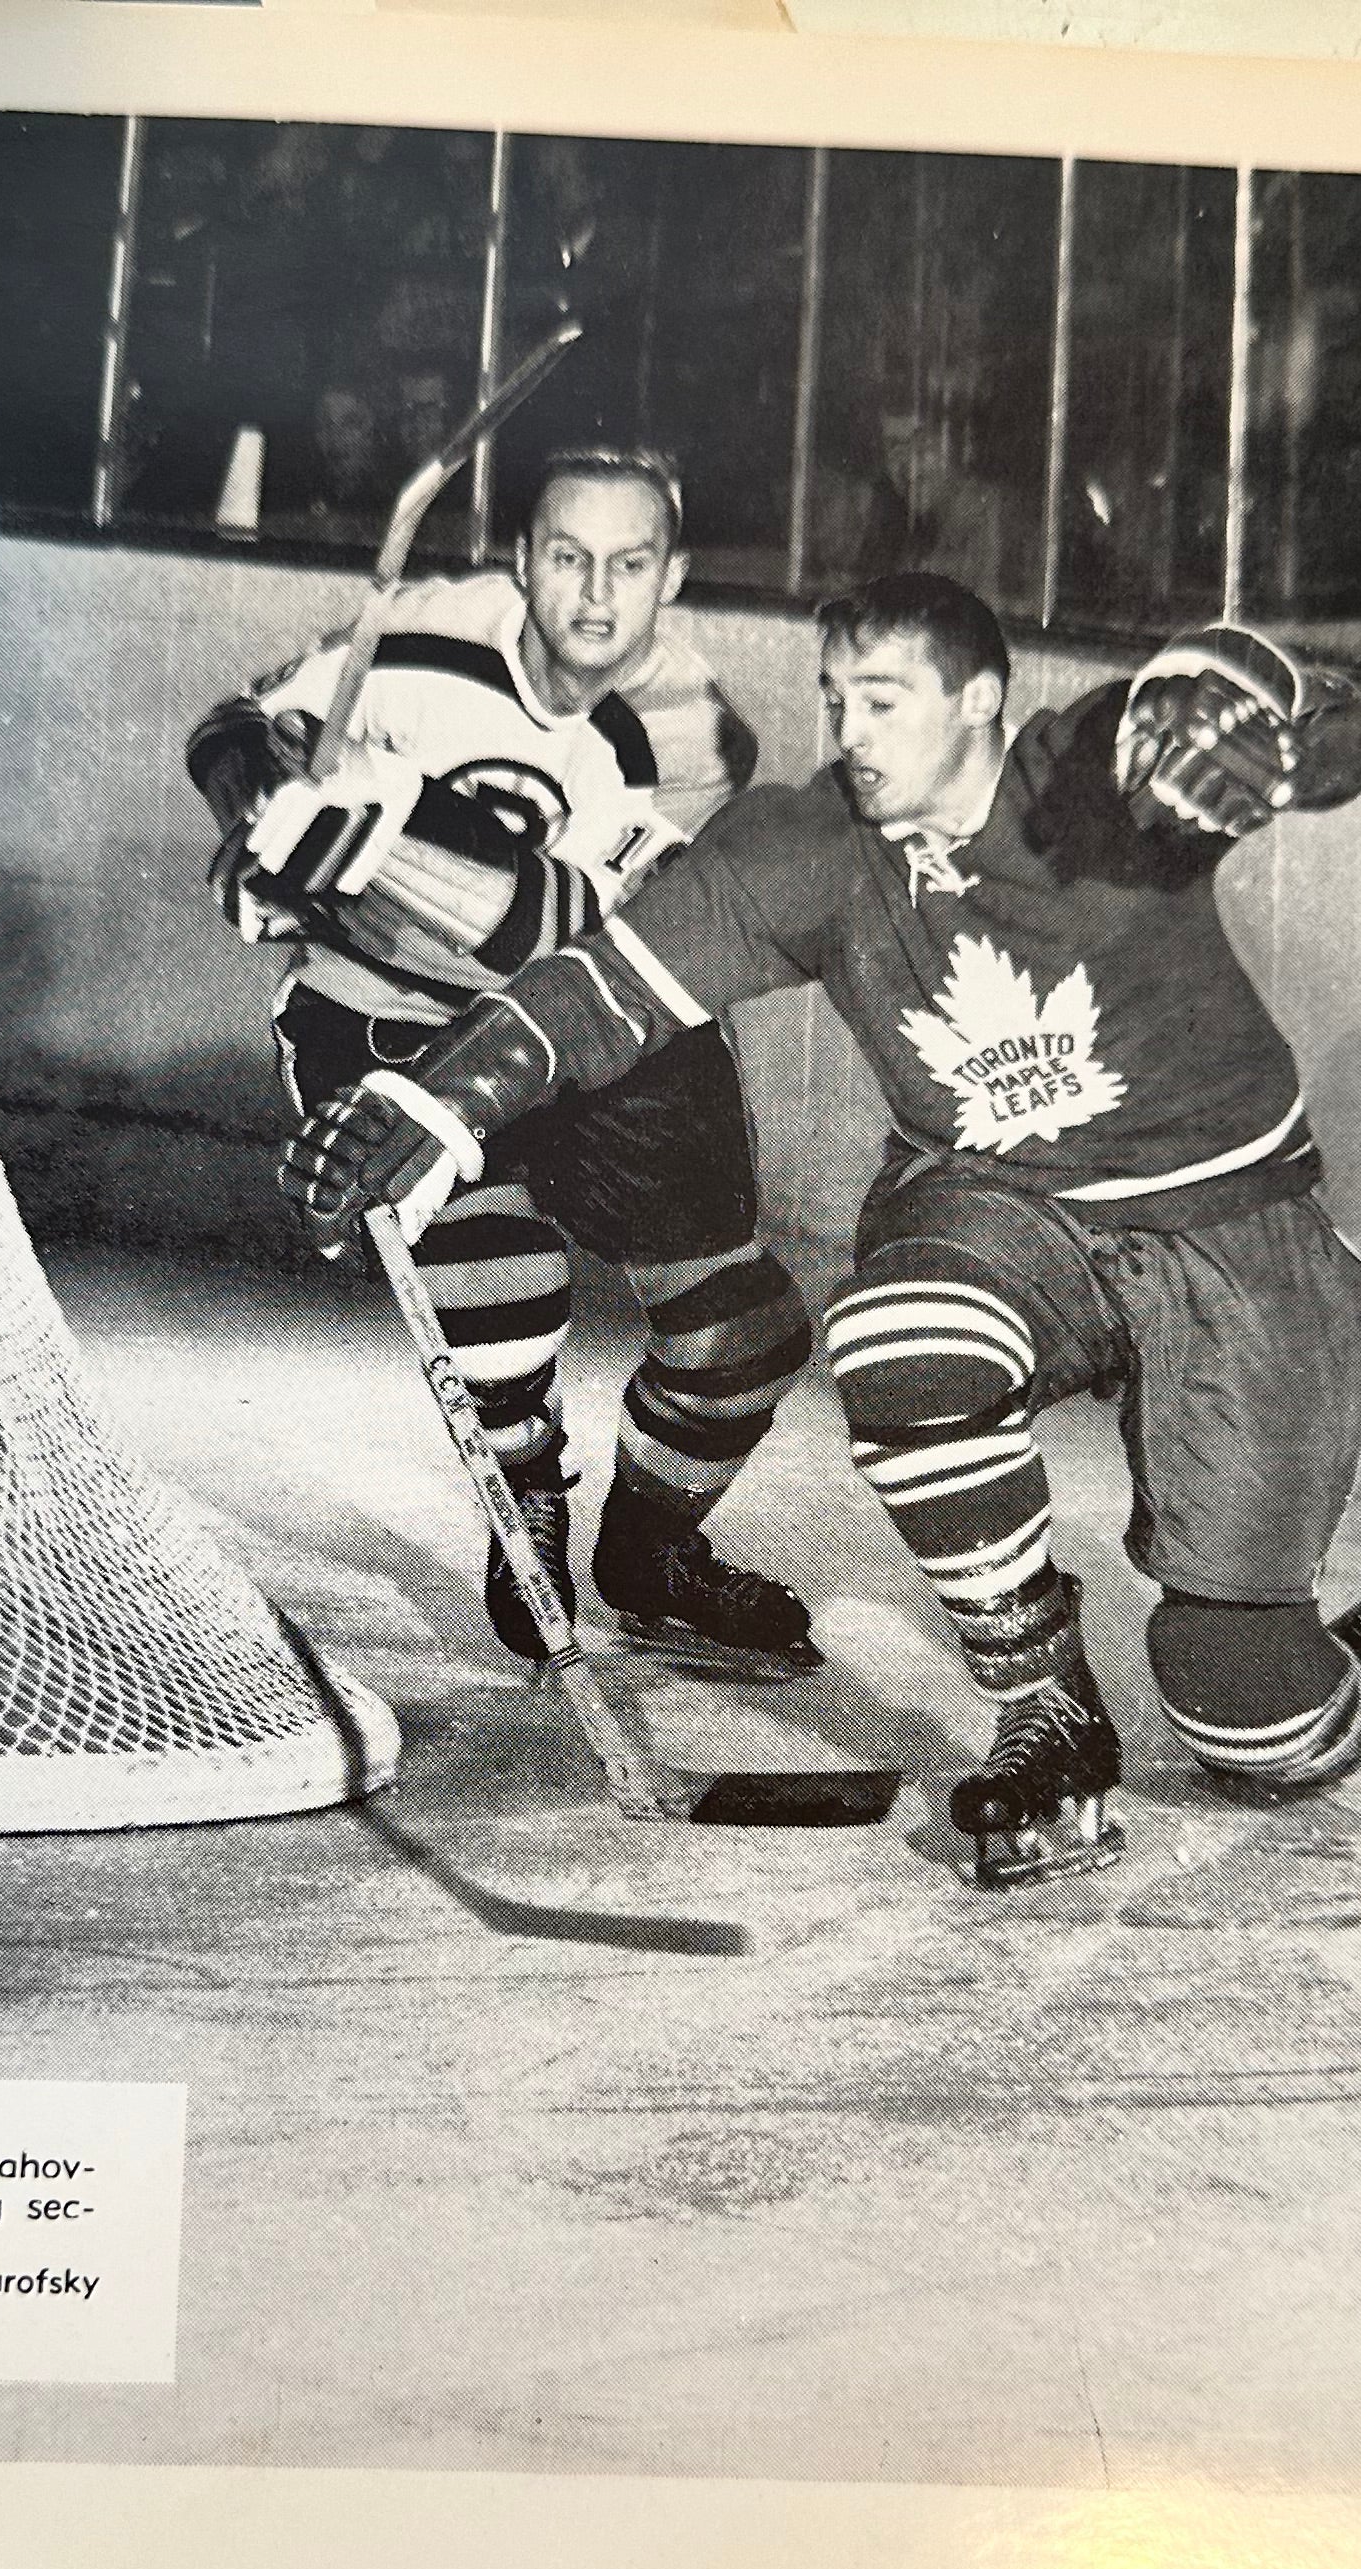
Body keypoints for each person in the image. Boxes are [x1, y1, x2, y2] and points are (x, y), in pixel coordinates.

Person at [283, 573, 1361, 1887]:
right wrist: (439, 1094)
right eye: (833, 700)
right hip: (1002, 1211)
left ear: (981, 701)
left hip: (1232, 1226)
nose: (849, 731)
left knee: (1246, 1715)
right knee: (899, 1335)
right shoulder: (809, 845)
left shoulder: (1094, 776)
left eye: (883, 701)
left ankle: (1341, 1661)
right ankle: (1044, 1708)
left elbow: (1287, 721)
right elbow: (600, 989)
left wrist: (1261, 713)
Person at [189, 445, 821, 1680]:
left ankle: (650, 1555)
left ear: (672, 578)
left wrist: (363, 848)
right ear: (522, 562)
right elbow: (231, 728)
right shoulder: (423, 634)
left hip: (586, 1024)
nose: (595, 594)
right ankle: (525, 1482)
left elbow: (560, 937)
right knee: (502, 1298)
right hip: (381, 1023)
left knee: (743, 1336)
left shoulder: (696, 738)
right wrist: (259, 811)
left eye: (629, 567)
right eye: (569, 559)